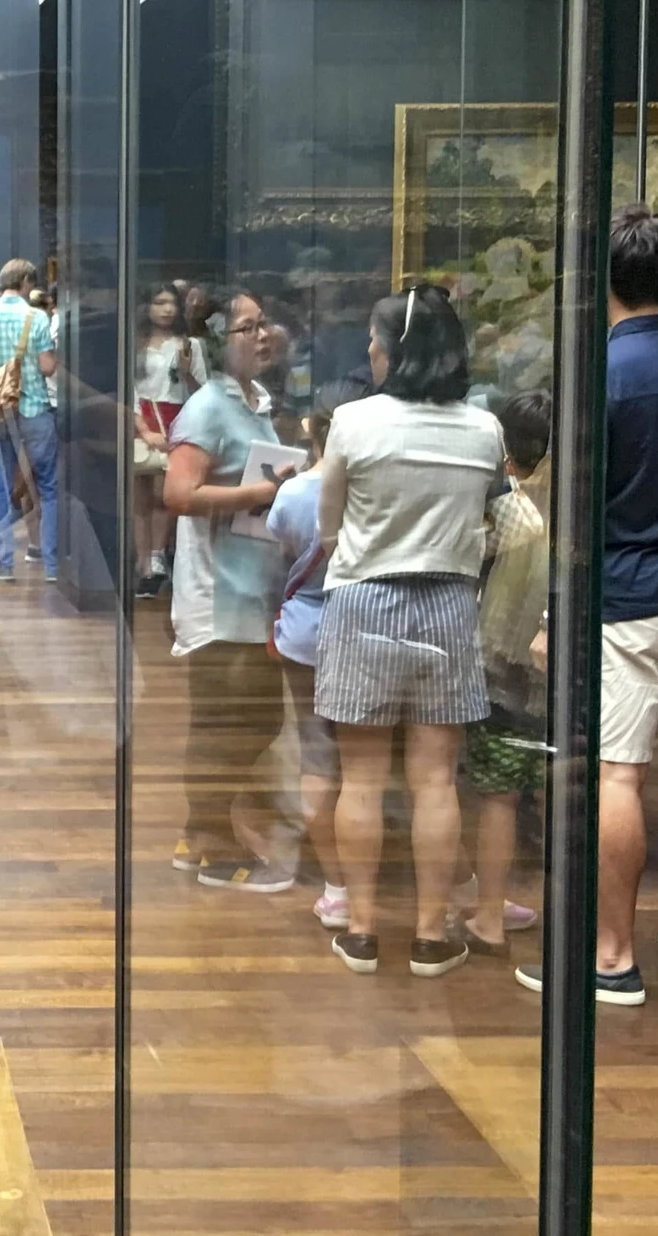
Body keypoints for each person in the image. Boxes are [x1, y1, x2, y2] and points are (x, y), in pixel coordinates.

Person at [517, 208, 658, 1006]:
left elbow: (574, 511)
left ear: (598, 280)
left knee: (620, 774)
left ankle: (611, 954)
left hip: (628, 597)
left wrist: (552, 611)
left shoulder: (597, 377)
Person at [317, 283, 502, 978]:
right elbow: (488, 518)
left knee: (360, 780)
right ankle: (430, 932)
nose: (369, 350)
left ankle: (362, 928)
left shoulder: (354, 422)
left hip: (363, 599)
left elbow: (328, 525)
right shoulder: (483, 429)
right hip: (449, 605)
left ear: (393, 351)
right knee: (435, 782)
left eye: (375, 340)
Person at [162, 288, 292, 893]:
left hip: (251, 587)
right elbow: (180, 496)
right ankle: (211, 843)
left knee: (252, 719)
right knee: (225, 721)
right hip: (216, 592)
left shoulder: (256, 401)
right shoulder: (208, 406)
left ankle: (201, 832)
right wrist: (260, 495)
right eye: (248, 327)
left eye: (264, 322)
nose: (263, 334)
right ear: (220, 343)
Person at [266, 378, 366, 931]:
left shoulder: (295, 494)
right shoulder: (374, 488)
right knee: (373, 762)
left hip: (307, 627)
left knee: (317, 753)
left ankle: (336, 887)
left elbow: (280, 550)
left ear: (313, 428)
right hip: (366, 623)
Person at [458, 390, 552, 957]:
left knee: (493, 795)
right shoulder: (568, 505)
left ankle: (487, 912)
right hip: (549, 674)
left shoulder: (511, 508)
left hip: (498, 667)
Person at [0, 258, 58, 582]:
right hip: (34, 407)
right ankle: (51, 566)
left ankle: (4, 564)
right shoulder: (36, 317)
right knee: (48, 487)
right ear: (25, 282)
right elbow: (47, 367)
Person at [133, 286, 206, 598]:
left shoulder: (190, 345)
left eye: (171, 303)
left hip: (177, 420)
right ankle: (142, 563)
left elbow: (202, 391)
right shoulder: (135, 344)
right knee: (140, 499)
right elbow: (129, 389)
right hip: (142, 420)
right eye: (158, 302)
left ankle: (159, 557)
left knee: (166, 495)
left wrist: (188, 372)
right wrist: (143, 429)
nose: (166, 310)